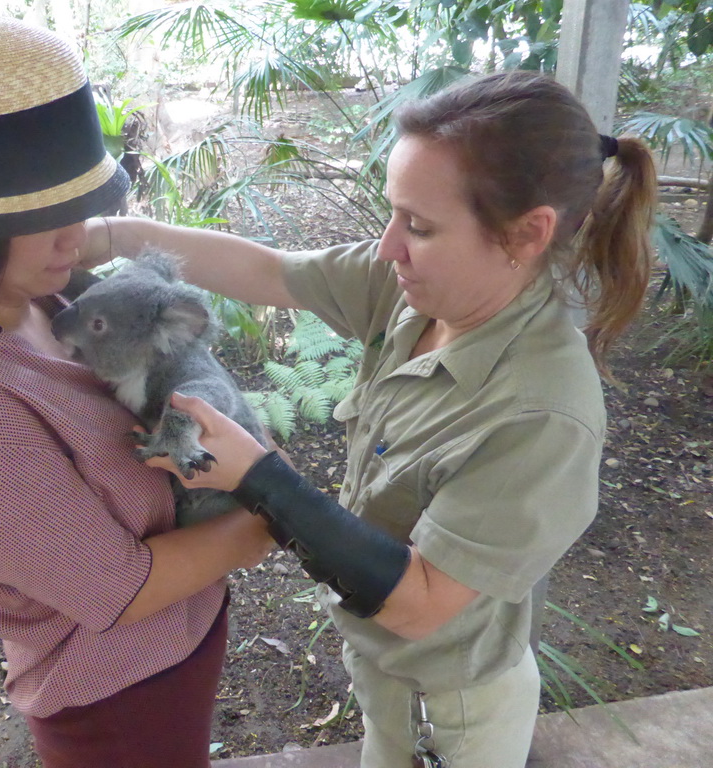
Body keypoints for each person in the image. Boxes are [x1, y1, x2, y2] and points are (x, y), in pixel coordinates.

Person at [79, 71, 657, 767]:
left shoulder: (544, 412)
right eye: (393, 212)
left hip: (457, 693)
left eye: (419, 225)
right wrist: (116, 235)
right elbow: (271, 273)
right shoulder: (418, 286)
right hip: (378, 659)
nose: (387, 246)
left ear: (527, 233)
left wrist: (260, 477)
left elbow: (419, 602)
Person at [0, 18, 274, 768]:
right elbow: (120, 589)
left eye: (82, 206)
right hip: (118, 699)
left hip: (176, 646)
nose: (76, 238)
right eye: (45, 219)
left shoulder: (32, 293)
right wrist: (273, 510)